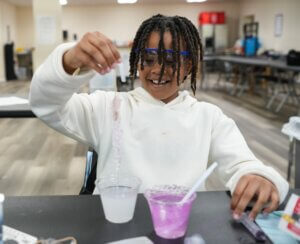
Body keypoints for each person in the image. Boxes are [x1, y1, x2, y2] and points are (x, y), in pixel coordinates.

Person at [29, 14, 288, 221]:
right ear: (136, 62)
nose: (157, 70)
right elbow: (45, 104)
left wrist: (259, 178)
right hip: (115, 223)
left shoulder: (208, 117)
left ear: (189, 66)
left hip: (184, 224)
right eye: (149, 59)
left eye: (172, 61)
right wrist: (68, 60)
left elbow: (242, 164)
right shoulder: (109, 108)